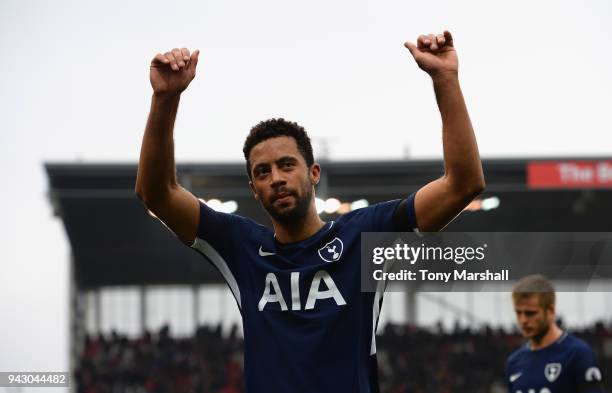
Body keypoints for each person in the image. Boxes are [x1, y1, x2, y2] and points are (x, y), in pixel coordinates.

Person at [135, 30, 485, 393]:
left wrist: (446, 80)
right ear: (254, 190)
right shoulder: (238, 246)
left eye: (287, 165)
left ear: (313, 173)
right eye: (263, 172)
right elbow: (156, 193)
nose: (276, 179)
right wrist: (165, 99)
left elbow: (463, 185)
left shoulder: (366, 237)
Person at [506, 275, 604, 393]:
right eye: (518, 313)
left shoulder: (578, 354)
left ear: (551, 311)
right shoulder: (514, 362)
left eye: (530, 313)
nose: (523, 320)